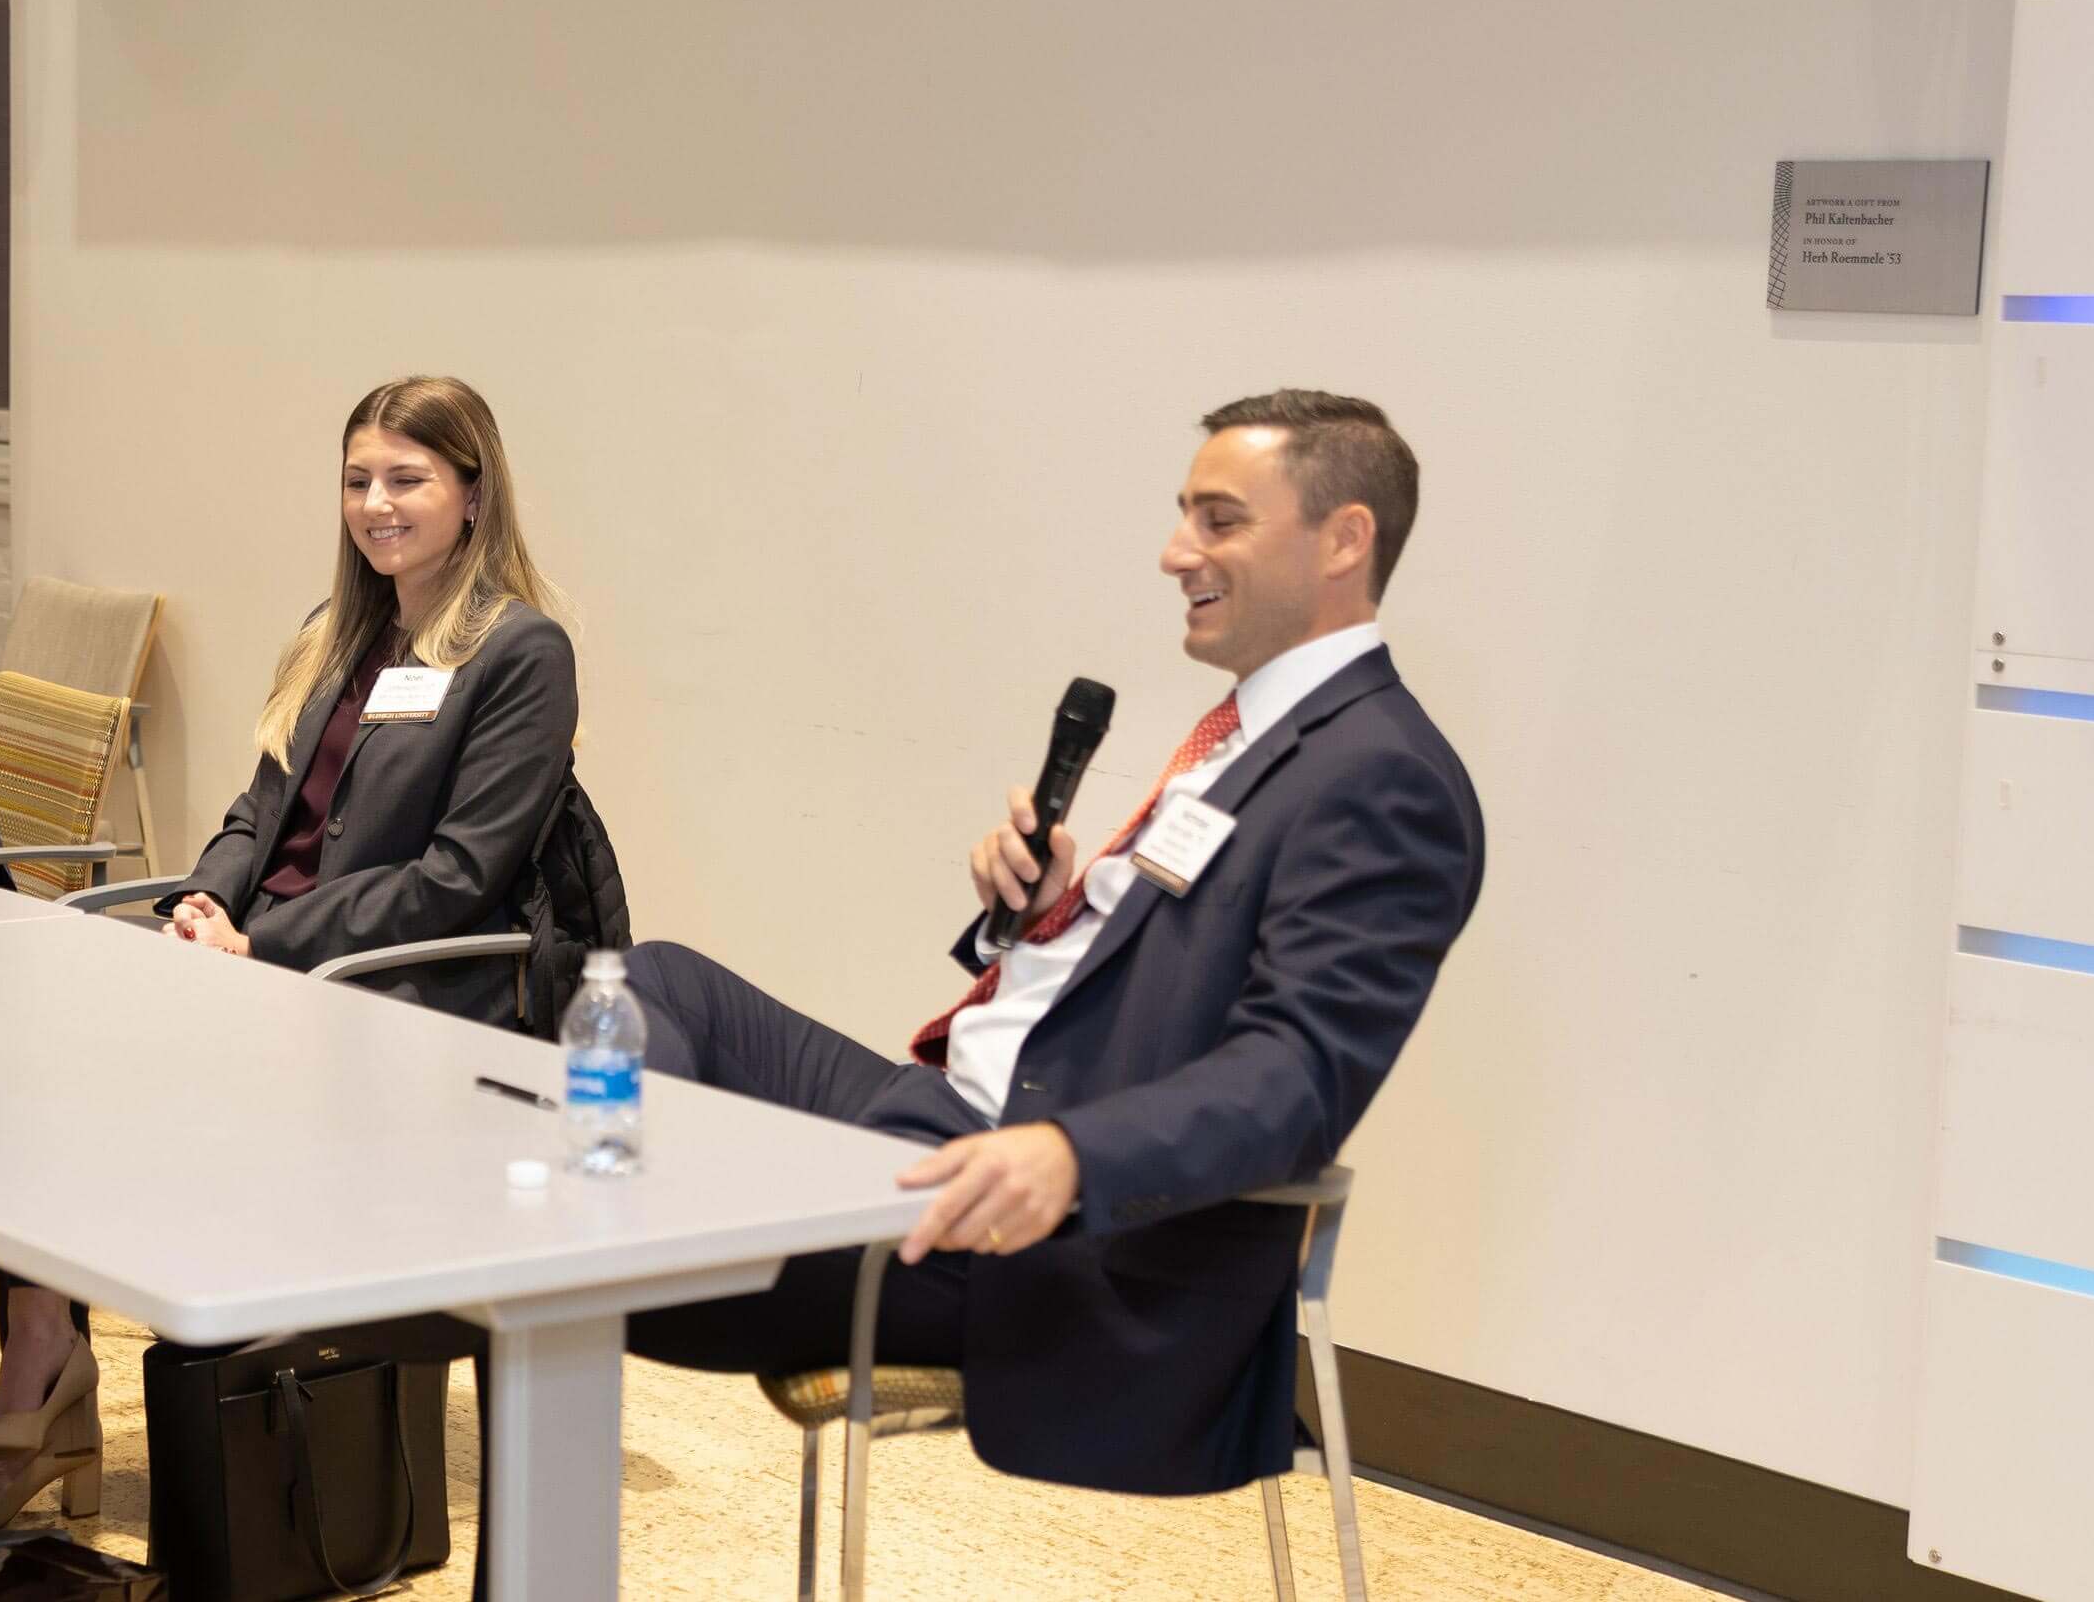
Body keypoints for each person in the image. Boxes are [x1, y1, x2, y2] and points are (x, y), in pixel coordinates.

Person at [613, 389, 1485, 1497]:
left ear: (1343, 538)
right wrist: (1039, 914)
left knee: (546, 1253)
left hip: (1048, 1230)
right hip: (942, 1103)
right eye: (1184, 514)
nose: (1177, 551)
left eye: (1220, 519)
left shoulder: (1382, 775)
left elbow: (1296, 1077)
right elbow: (1151, 966)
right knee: (660, 980)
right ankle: (627, 1184)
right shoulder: (1256, 736)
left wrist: (1071, 1154)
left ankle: (620, 1201)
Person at [0, 375, 582, 1533]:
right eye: (356, 480)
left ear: (473, 495)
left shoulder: (519, 652)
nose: (376, 504)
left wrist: (257, 942)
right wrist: (200, 904)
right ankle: (43, 1352)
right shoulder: (336, 632)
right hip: (257, 961)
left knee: (109, 1087)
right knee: (19, 1056)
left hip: (387, 993)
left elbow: (459, 878)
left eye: (407, 479)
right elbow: (257, 810)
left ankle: (52, 1385)